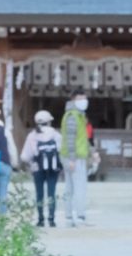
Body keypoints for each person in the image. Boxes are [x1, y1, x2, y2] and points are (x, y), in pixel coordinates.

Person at [20, 111, 62, 227]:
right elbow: (61, 151)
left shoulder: (32, 135)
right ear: (49, 121)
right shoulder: (55, 134)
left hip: (37, 168)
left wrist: (31, 164)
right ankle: (52, 219)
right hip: (53, 168)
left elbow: (24, 156)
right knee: (51, 192)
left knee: (39, 193)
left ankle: (40, 219)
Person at [61, 91, 93, 226]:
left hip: (73, 155)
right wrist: (72, 159)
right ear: (73, 100)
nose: (84, 101)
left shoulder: (79, 116)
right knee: (79, 187)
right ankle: (80, 215)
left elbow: (83, 139)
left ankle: (69, 216)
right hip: (74, 157)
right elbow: (70, 139)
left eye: (85, 98)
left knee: (70, 187)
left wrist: (92, 152)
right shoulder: (73, 117)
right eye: (80, 98)